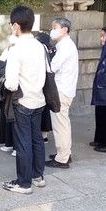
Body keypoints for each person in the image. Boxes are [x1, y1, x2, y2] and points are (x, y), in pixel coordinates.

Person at [2, 6, 46, 194]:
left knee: (23, 142)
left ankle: (23, 183)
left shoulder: (16, 49)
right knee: (36, 138)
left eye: (12, 25)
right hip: (39, 99)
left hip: (23, 101)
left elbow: (11, 84)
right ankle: (38, 176)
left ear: (17, 26)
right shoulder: (39, 45)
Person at [45, 18, 78, 169]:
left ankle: (62, 158)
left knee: (60, 125)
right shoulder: (65, 45)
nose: (52, 30)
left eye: (55, 27)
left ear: (65, 30)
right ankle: (65, 153)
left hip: (61, 91)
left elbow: (52, 67)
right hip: (64, 89)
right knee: (63, 123)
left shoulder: (65, 47)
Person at [36, 32, 55, 143]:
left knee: (42, 111)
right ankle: (44, 135)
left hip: (42, 84)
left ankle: (42, 135)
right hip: (50, 85)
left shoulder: (42, 50)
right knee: (46, 111)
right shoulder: (52, 50)